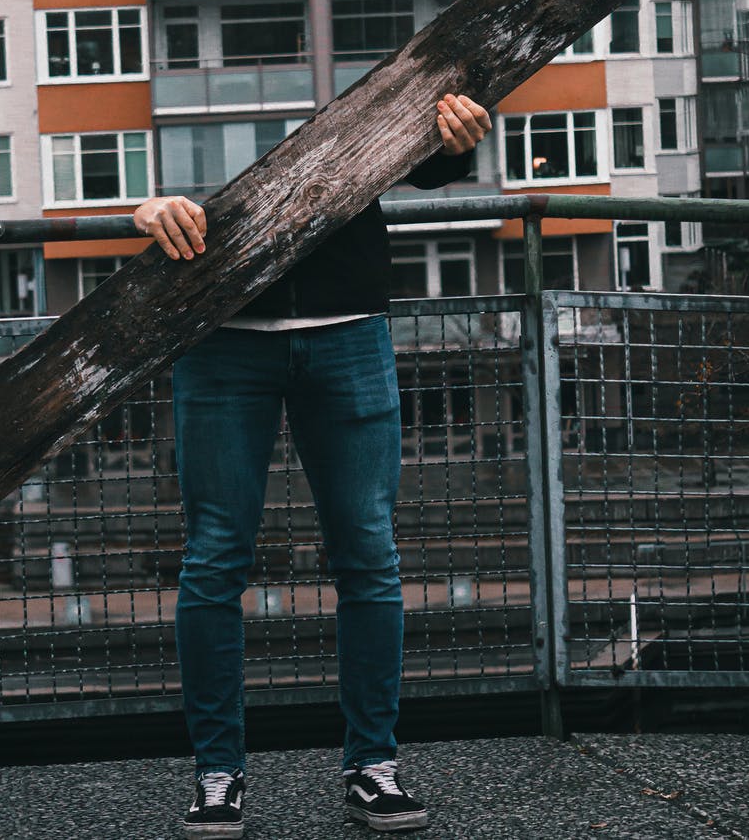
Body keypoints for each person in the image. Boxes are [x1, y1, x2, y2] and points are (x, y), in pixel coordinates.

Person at [134, 93, 492, 837]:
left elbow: (422, 156)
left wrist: (458, 140)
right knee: (214, 558)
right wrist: (144, 205)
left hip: (349, 331)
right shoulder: (172, 78)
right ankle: (216, 773)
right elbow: (138, 191)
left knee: (367, 551)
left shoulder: (357, 68)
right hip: (219, 336)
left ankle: (374, 765)